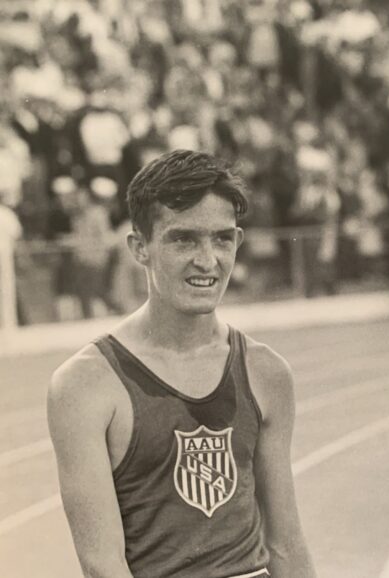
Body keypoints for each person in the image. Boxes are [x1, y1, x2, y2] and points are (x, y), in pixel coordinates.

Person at [47, 150, 316, 578]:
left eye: (222, 239)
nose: (207, 260)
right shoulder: (85, 385)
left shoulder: (266, 373)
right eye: (183, 239)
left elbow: (285, 545)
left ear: (238, 243)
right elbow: (102, 563)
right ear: (140, 248)